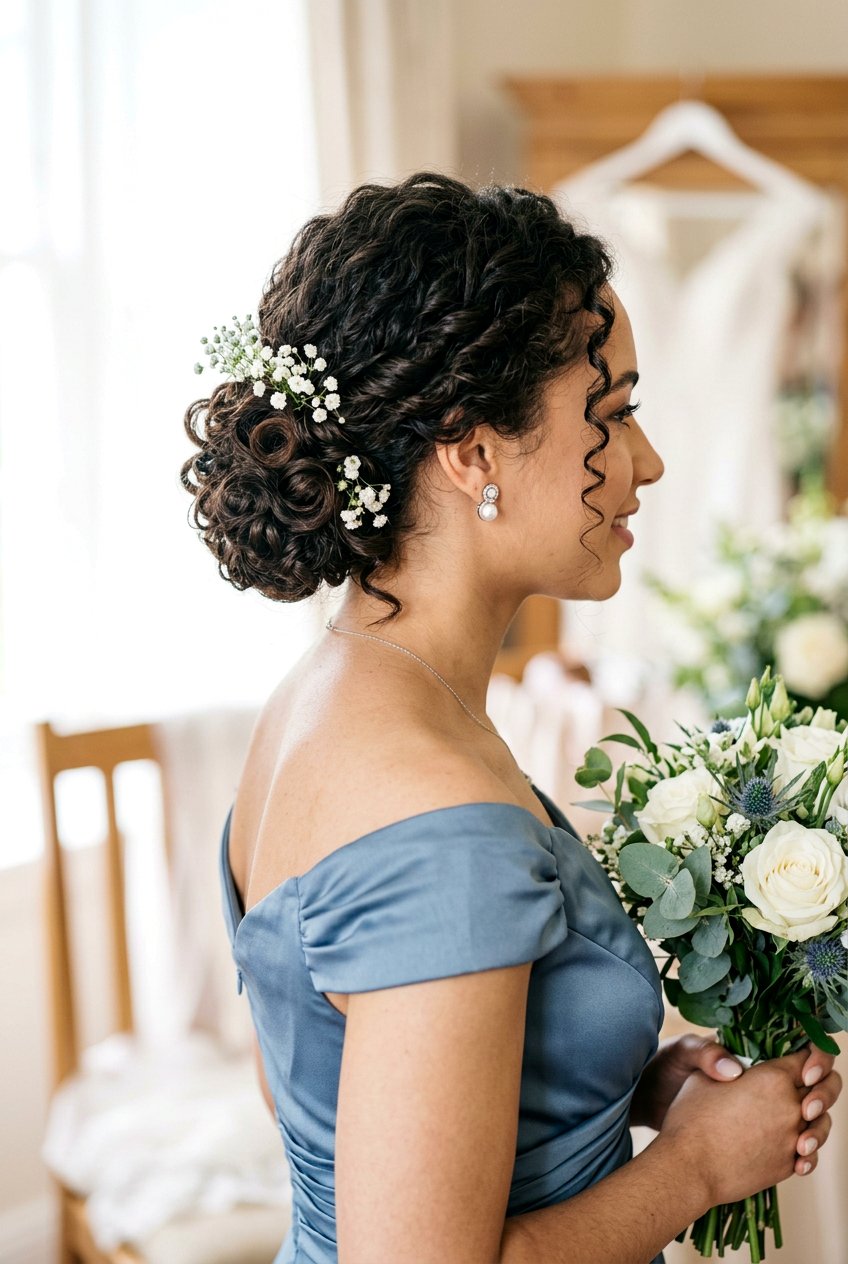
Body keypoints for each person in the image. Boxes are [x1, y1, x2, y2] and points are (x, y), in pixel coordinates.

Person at [182, 171, 841, 1264]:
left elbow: (318, 1088)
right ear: (473, 449)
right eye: (612, 415)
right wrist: (698, 1169)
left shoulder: (320, 701)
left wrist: (622, 1085)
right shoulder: (434, 803)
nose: (647, 463)